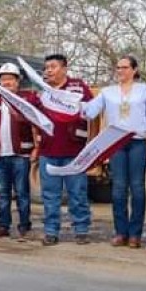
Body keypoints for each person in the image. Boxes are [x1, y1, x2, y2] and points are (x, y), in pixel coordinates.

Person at [83, 56, 146, 248]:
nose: (121, 71)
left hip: (138, 141)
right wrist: (71, 102)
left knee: (137, 187)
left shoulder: (145, 90)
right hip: (115, 142)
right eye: (118, 68)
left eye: (125, 67)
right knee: (118, 188)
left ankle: (135, 234)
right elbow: (90, 111)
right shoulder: (108, 92)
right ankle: (120, 232)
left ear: (134, 70)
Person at [37, 53, 95, 246]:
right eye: (46, 68)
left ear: (64, 68)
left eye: (53, 67)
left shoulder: (78, 87)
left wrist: (92, 141)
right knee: (50, 194)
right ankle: (51, 231)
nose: (49, 71)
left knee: (77, 192)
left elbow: (92, 111)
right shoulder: (43, 91)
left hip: (74, 150)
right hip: (48, 150)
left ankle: (81, 229)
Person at [0, 63, 39, 238]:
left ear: (18, 81)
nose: (7, 82)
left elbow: (36, 125)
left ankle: (24, 225)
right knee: (2, 194)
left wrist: (36, 149)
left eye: (10, 79)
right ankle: (3, 226)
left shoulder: (27, 99)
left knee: (22, 193)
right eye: (3, 79)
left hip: (21, 155)